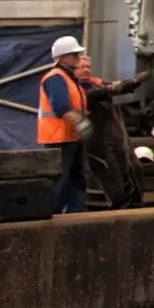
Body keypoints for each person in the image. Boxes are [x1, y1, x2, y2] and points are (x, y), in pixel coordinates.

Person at [75, 54, 144, 210]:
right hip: (97, 141)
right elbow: (103, 92)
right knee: (112, 175)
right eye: (82, 67)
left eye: (88, 67)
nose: (86, 70)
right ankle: (119, 205)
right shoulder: (76, 89)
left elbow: (112, 86)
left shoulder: (95, 82)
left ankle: (135, 202)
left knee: (133, 169)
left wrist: (132, 83)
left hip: (116, 137)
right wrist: (121, 87)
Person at [37, 35, 91, 214]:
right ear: (63, 57)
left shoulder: (69, 78)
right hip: (58, 138)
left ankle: (73, 218)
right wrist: (80, 122)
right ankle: (52, 218)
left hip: (71, 137)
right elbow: (60, 107)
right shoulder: (55, 78)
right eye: (74, 54)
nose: (78, 57)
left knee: (76, 180)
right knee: (60, 182)